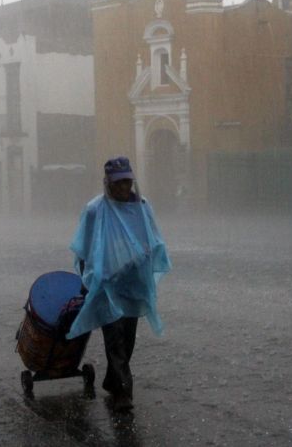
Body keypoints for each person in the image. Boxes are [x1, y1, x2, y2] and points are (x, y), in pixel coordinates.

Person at [65, 156, 171, 411]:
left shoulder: (143, 208)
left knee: (128, 338)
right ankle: (123, 393)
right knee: (114, 337)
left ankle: (113, 381)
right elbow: (85, 247)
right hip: (107, 284)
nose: (124, 188)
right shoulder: (95, 210)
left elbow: (153, 239)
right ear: (108, 184)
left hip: (133, 283)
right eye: (118, 183)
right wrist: (86, 280)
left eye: (127, 182)